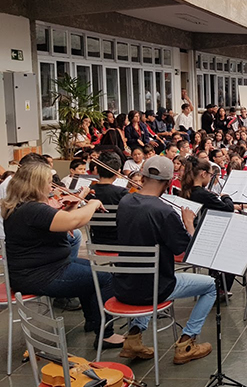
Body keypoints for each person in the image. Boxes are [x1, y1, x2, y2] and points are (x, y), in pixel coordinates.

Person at [1, 161, 124, 349]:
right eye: (48, 182)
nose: (51, 186)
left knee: (91, 270)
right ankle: (105, 335)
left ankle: (93, 321)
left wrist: (74, 206)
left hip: (40, 269)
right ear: (37, 184)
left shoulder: (22, 206)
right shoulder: (33, 210)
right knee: (105, 278)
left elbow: (60, 222)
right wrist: (91, 204)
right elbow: (72, 222)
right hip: (41, 275)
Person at [115, 156, 216, 363]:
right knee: (211, 286)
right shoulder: (164, 211)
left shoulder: (125, 202)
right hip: (156, 288)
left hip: (123, 283)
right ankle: (187, 342)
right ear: (169, 182)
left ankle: (133, 337)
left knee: (147, 275)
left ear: (142, 177)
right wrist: (188, 224)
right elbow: (188, 252)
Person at [181, 156, 236, 293]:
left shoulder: (187, 191)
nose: (211, 178)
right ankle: (220, 287)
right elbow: (228, 208)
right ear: (203, 174)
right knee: (232, 250)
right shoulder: (202, 194)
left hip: (191, 233)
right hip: (199, 237)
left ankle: (217, 281)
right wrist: (225, 196)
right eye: (211, 175)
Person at [87, 152, 129, 246]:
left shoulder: (88, 192)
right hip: (120, 241)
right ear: (118, 172)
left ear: (96, 170)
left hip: (97, 241)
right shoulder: (122, 193)